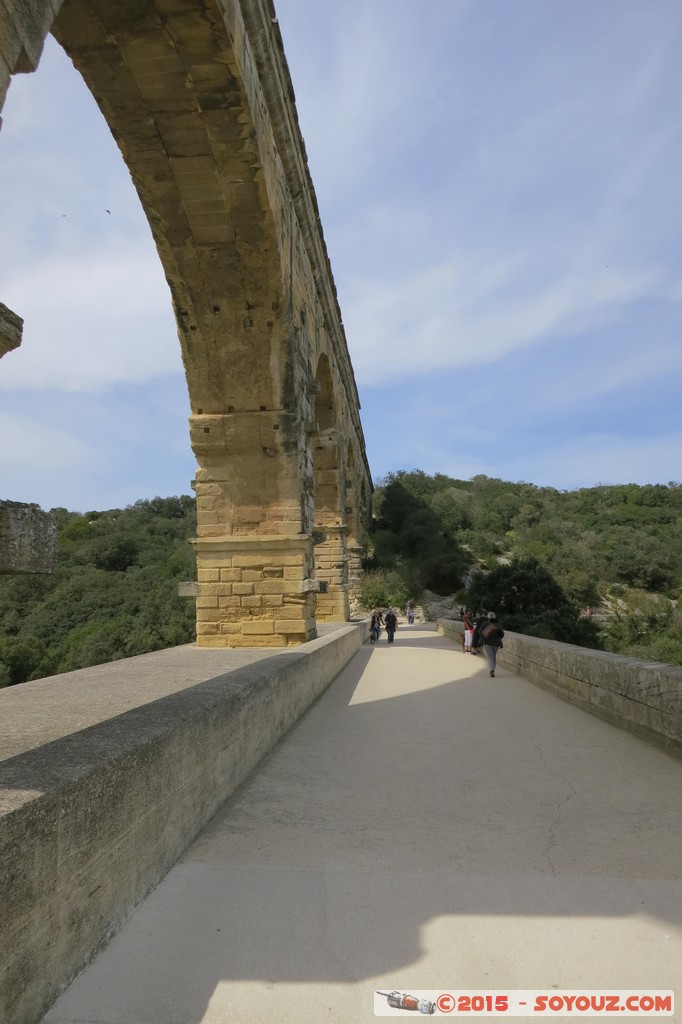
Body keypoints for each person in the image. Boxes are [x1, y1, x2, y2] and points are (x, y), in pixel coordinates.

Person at [479, 611, 504, 677]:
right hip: (496, 643)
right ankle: (493, 670)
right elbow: (502, 634)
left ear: (488, 617)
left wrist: (484, 638)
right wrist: (498, 638)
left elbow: (480, 632)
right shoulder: (498, 624)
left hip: (487, 642)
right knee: (493, 656)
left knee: (490, 656)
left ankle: (491, 670)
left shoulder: (484, 623)